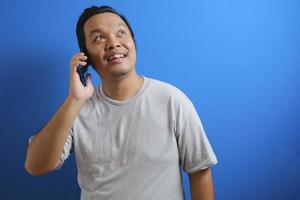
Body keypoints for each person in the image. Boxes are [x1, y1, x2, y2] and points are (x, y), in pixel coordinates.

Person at [24, 5, 218, 200]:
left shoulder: (172, 100)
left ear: (133, 43)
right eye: (99, 38)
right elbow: (35, 166)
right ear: (86, 57)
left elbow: (200, 171)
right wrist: (74, 100)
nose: (113, 43)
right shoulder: (77, 110)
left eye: (121, 33)